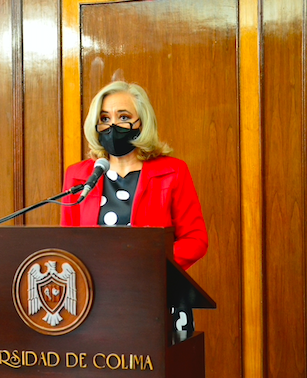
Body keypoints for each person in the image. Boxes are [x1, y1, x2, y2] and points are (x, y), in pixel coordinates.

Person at [60, 81, 207, 271]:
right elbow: (67, 244)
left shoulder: (172, 171)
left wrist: (150, 264)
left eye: (123, 117)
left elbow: (195, 240)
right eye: (105, 118)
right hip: (93, 285)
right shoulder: (78, 176)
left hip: (150, 282)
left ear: (142, 122)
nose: (113, 125)